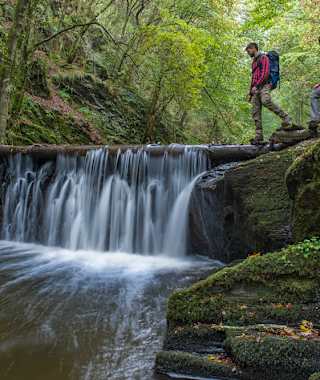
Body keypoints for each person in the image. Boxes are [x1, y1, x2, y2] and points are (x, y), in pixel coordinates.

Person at [246, 42, 292, 145]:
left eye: (248, 50)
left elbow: (265, 74)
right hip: (256, 88)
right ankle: (259, 137)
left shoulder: (263, 58)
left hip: (266, 84)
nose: (248, 52)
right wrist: (250, 92)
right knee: (255, 111)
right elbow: (253, 78)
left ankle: (286, 117)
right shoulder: (253, 62)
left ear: (254, 48)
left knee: (265, 100)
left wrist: (257, 86)